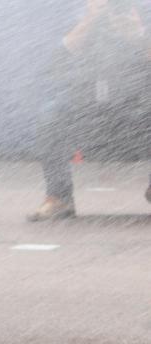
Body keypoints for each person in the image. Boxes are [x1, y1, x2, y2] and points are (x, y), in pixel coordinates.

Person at [28, 0, 147, 221]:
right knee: (50, 115)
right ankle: (59, 198)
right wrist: (89, 21)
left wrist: (140, 38)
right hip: (89, 120)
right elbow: (53, 64)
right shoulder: (76, 18)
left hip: (139, 119)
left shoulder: (142, 15)